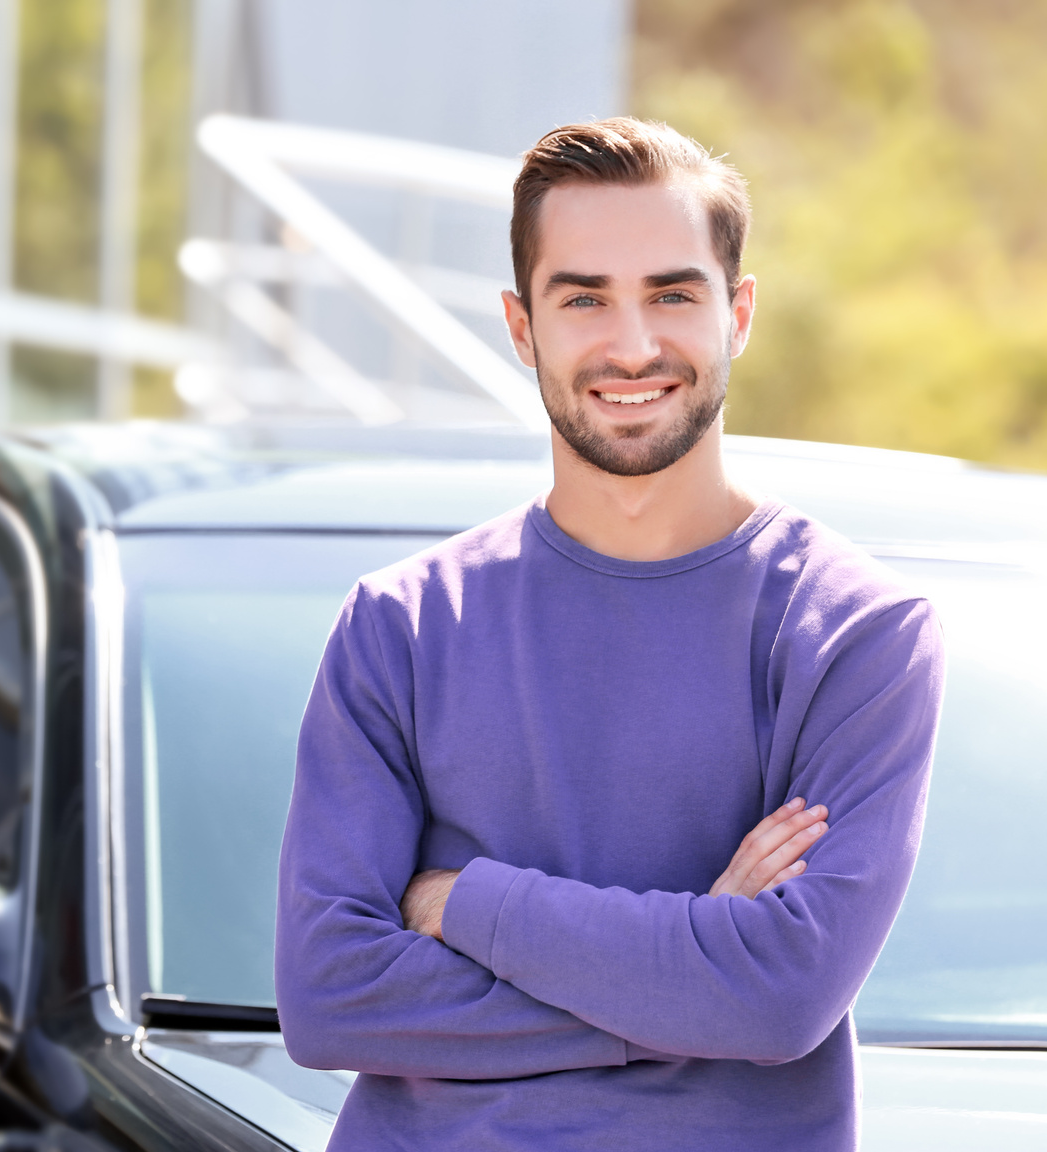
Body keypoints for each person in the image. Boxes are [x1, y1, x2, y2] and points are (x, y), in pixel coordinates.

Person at [274, 118, 945, 1150]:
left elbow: (777, 1001)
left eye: (673, 293)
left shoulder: (855, 633)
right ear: (520, 325)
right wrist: (691, 973)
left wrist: (472, 905)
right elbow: (330, 996)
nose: (633, 346)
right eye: (584, 297)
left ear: (740, 313)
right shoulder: (402, 626)